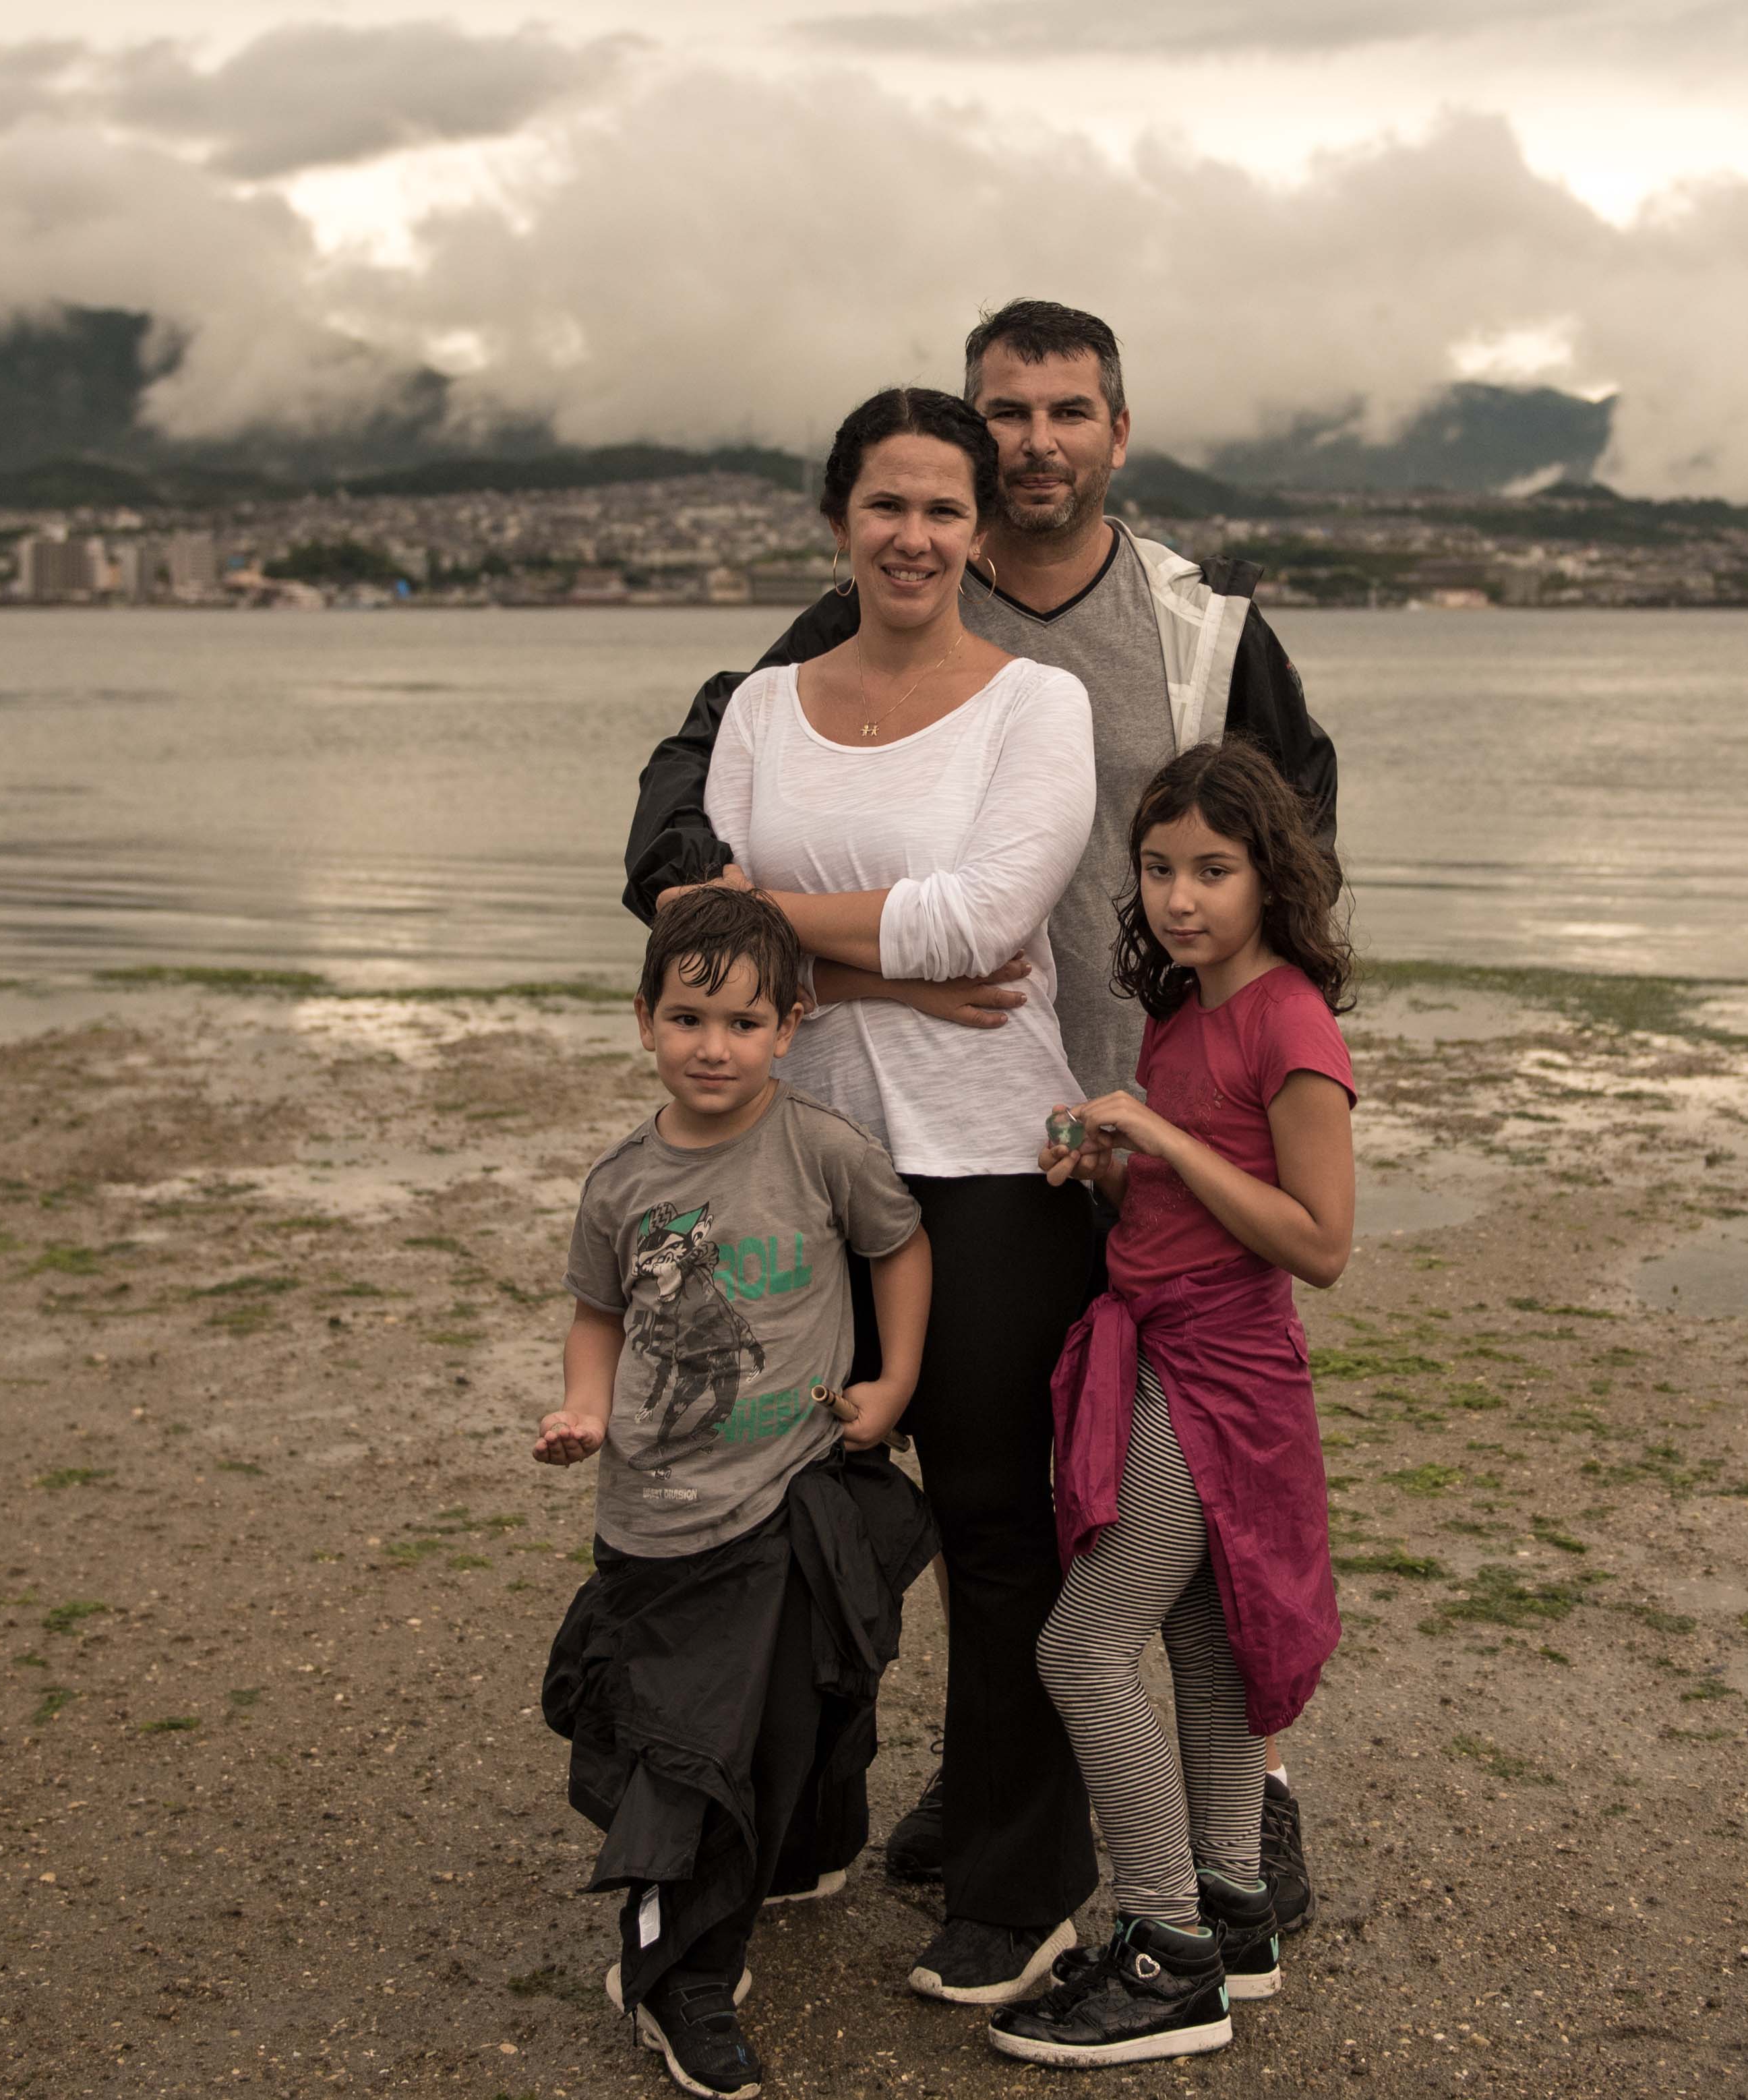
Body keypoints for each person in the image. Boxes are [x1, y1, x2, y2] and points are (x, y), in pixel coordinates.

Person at [622, 299, 1339, 1933]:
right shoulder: (868, 602)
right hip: (969, 1107)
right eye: (1003, 412)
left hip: (1151, 1114)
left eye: (1066, 412)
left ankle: (1247, 1800)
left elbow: (1291, 854)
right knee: (1008, 1484)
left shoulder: (1198, 629)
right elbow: (695, 787)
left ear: (1116, 434)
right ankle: (995, 1771)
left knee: (1182, 1470)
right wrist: (777, 934)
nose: (1033, 443)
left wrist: (1263, 1073)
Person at [673, 383, 1108, 2007]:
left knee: (997, 1531)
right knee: (792, 1512)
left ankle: (1013, 1880)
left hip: (991, 1163)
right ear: (835, 521)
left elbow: (985, 921)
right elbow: (701, 952)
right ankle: (805, 1821)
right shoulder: (758, 705)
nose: (912, 535)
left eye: (942, 509)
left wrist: (783, 929)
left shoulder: (1035, 706)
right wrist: (884, 974)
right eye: (885, 504)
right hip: (794, 1165)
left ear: (978, 534)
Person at [536, 885, 939, 2100]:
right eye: (687, 1018)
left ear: (789, 1027)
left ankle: (742, 1914)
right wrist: (583, 1410)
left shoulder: (821, 1148)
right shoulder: (620, 1184)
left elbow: (898, 1245)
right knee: (685, 1754)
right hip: (655, 1521)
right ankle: (675, 1976)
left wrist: (892, 1381)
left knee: (775, 1731)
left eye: (744, 1023)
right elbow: (597, 1317)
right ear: (643, 1020)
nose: (713, 1047)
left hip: (787, 1499)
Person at [986, 740, 1355, 2068]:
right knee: (1202, 1647)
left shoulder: (1290, 1023)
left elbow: (1318, 1242)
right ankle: (1233, 1914)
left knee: (1080, 1649)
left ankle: (1162, 1952)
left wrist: (1162, 1137)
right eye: (1155, 868)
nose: (1179, 897)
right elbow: (1185, 1204)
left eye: (1213, 869)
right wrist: (1107, 1165)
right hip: (1158, 1349)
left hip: (1221, 1378)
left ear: (1271, 876)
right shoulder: (1181, 1012)